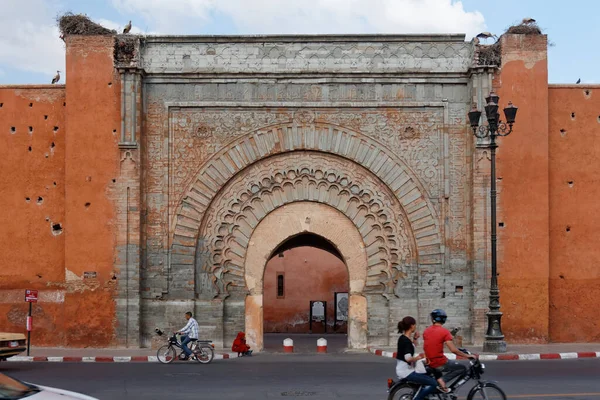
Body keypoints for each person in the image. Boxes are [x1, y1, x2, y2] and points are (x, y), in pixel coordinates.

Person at [423, 309, 476, 387]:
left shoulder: (426, 331)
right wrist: (468, 356)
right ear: (444, 319)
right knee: (461, 368)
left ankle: (439, 384)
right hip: (439, 362)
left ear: (433, 319)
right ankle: (441, 382)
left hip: (429, 361)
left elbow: (435, 342)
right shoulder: (444, 332)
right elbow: (453, 350)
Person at [395, 316, 438, 400]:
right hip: (406, 372)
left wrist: (415, 338)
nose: (415, 327)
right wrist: (419, 357)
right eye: (414, 325)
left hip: (404, 369)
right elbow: (408, 358)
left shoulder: (403, 338)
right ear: (411, 326)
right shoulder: (406, 341)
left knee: (428, 374)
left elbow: (411, 347)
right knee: (433, 383)